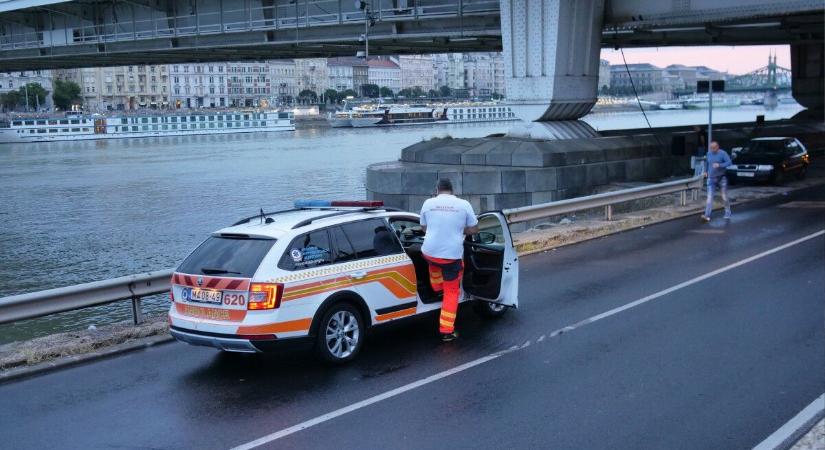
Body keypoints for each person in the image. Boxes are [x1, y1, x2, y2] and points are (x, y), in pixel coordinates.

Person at [420, 178, 479, 342]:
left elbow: (424, 227)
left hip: (429, 253)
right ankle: (447, 331)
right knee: (452, 291)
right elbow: (474, 228)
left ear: (437, 189)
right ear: (452, 190)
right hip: (451, 256)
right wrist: (460, 229)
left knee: (434, 263)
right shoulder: (464, 204)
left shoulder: (428, 203)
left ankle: (437, 287)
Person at [702, 141, 732, 223]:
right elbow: (706, 163)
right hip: (711, 178)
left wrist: (720, 165)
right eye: (711, 148)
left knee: (724, 196)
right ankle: (707, 215)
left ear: (718, 147)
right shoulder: (709, 153)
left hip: (721, 178)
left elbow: (729, 162)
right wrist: (705, 171)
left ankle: (728, 212)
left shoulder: (723, 153)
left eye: (714, 147)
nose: (712, 149)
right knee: (709, 197)